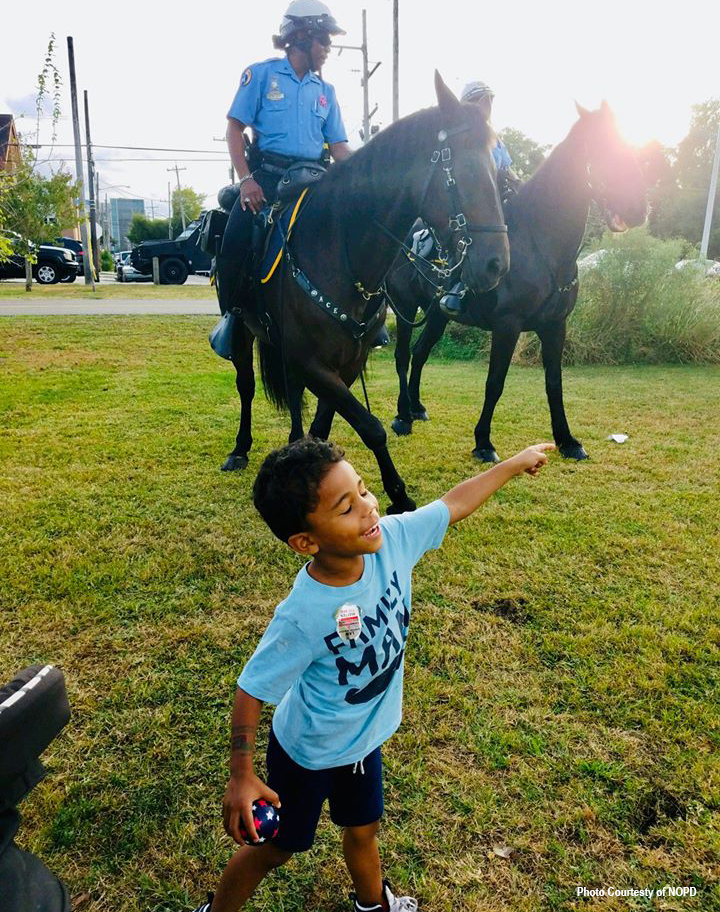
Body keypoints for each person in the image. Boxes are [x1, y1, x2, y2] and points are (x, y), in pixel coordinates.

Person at [190, 436, 554, 912]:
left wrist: (511, 464)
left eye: (363, 490)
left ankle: (374, 907)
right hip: (308, 755)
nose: (368, 507)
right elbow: (251, 689)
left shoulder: (392, 541)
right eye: (346, 506)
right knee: (278, 849)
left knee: (363, 831)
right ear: (306, 541)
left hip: (361, 745)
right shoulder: (303, 613)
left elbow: (452, 503)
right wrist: (242, 776)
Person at [216, 0, 352, 319]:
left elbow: (340, 148)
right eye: (324, 38)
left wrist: (370, 173)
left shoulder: (326, 92)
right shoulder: (261, 75)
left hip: (317, 180)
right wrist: (246, 180)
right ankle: (232, 320)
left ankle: (365, 318)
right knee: (234, 239)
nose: (328, 47)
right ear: (301, 36)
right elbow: (234, 129)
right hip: (268, 180)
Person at [440, 81, 521, 317]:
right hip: (476, 200)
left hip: (500, 197)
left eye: (489, 101)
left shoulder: (496, 138)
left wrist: (520, 185)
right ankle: (458, 284)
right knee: (470, 231)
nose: (487, 106)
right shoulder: (465, 137)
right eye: (482, 101)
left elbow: (507, 168)